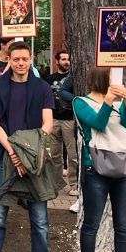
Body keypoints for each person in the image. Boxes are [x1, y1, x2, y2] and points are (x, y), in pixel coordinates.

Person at [0, 41, 55, 252]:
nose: (21, 63)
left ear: (31, 60)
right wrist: (14, 152)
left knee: (40, 221)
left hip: (33, 158)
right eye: (16, 59)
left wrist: (27, 153)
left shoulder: (42, 87)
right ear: (9, 61)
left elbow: (48, 123)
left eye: (24, 59)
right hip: (5, 157)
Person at [73, 67, 126, 252]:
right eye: (112, 76)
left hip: (124, 169)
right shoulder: (81, 102)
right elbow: (98, 124)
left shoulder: (119, 101)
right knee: (92, 224)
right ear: (101, 78)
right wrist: (108, 101)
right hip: (95, 169)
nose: (116, 80)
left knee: (123, 227)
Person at [45, 50, 77, 196]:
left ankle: (74, 185)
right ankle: (56, 184)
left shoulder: (73, 78)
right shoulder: (50, 78)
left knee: (72, 155)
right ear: (57, 61)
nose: (66, 62)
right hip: (54, 119)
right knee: (55, 155)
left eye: (68, 59)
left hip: (69, 119)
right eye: (63, 59)